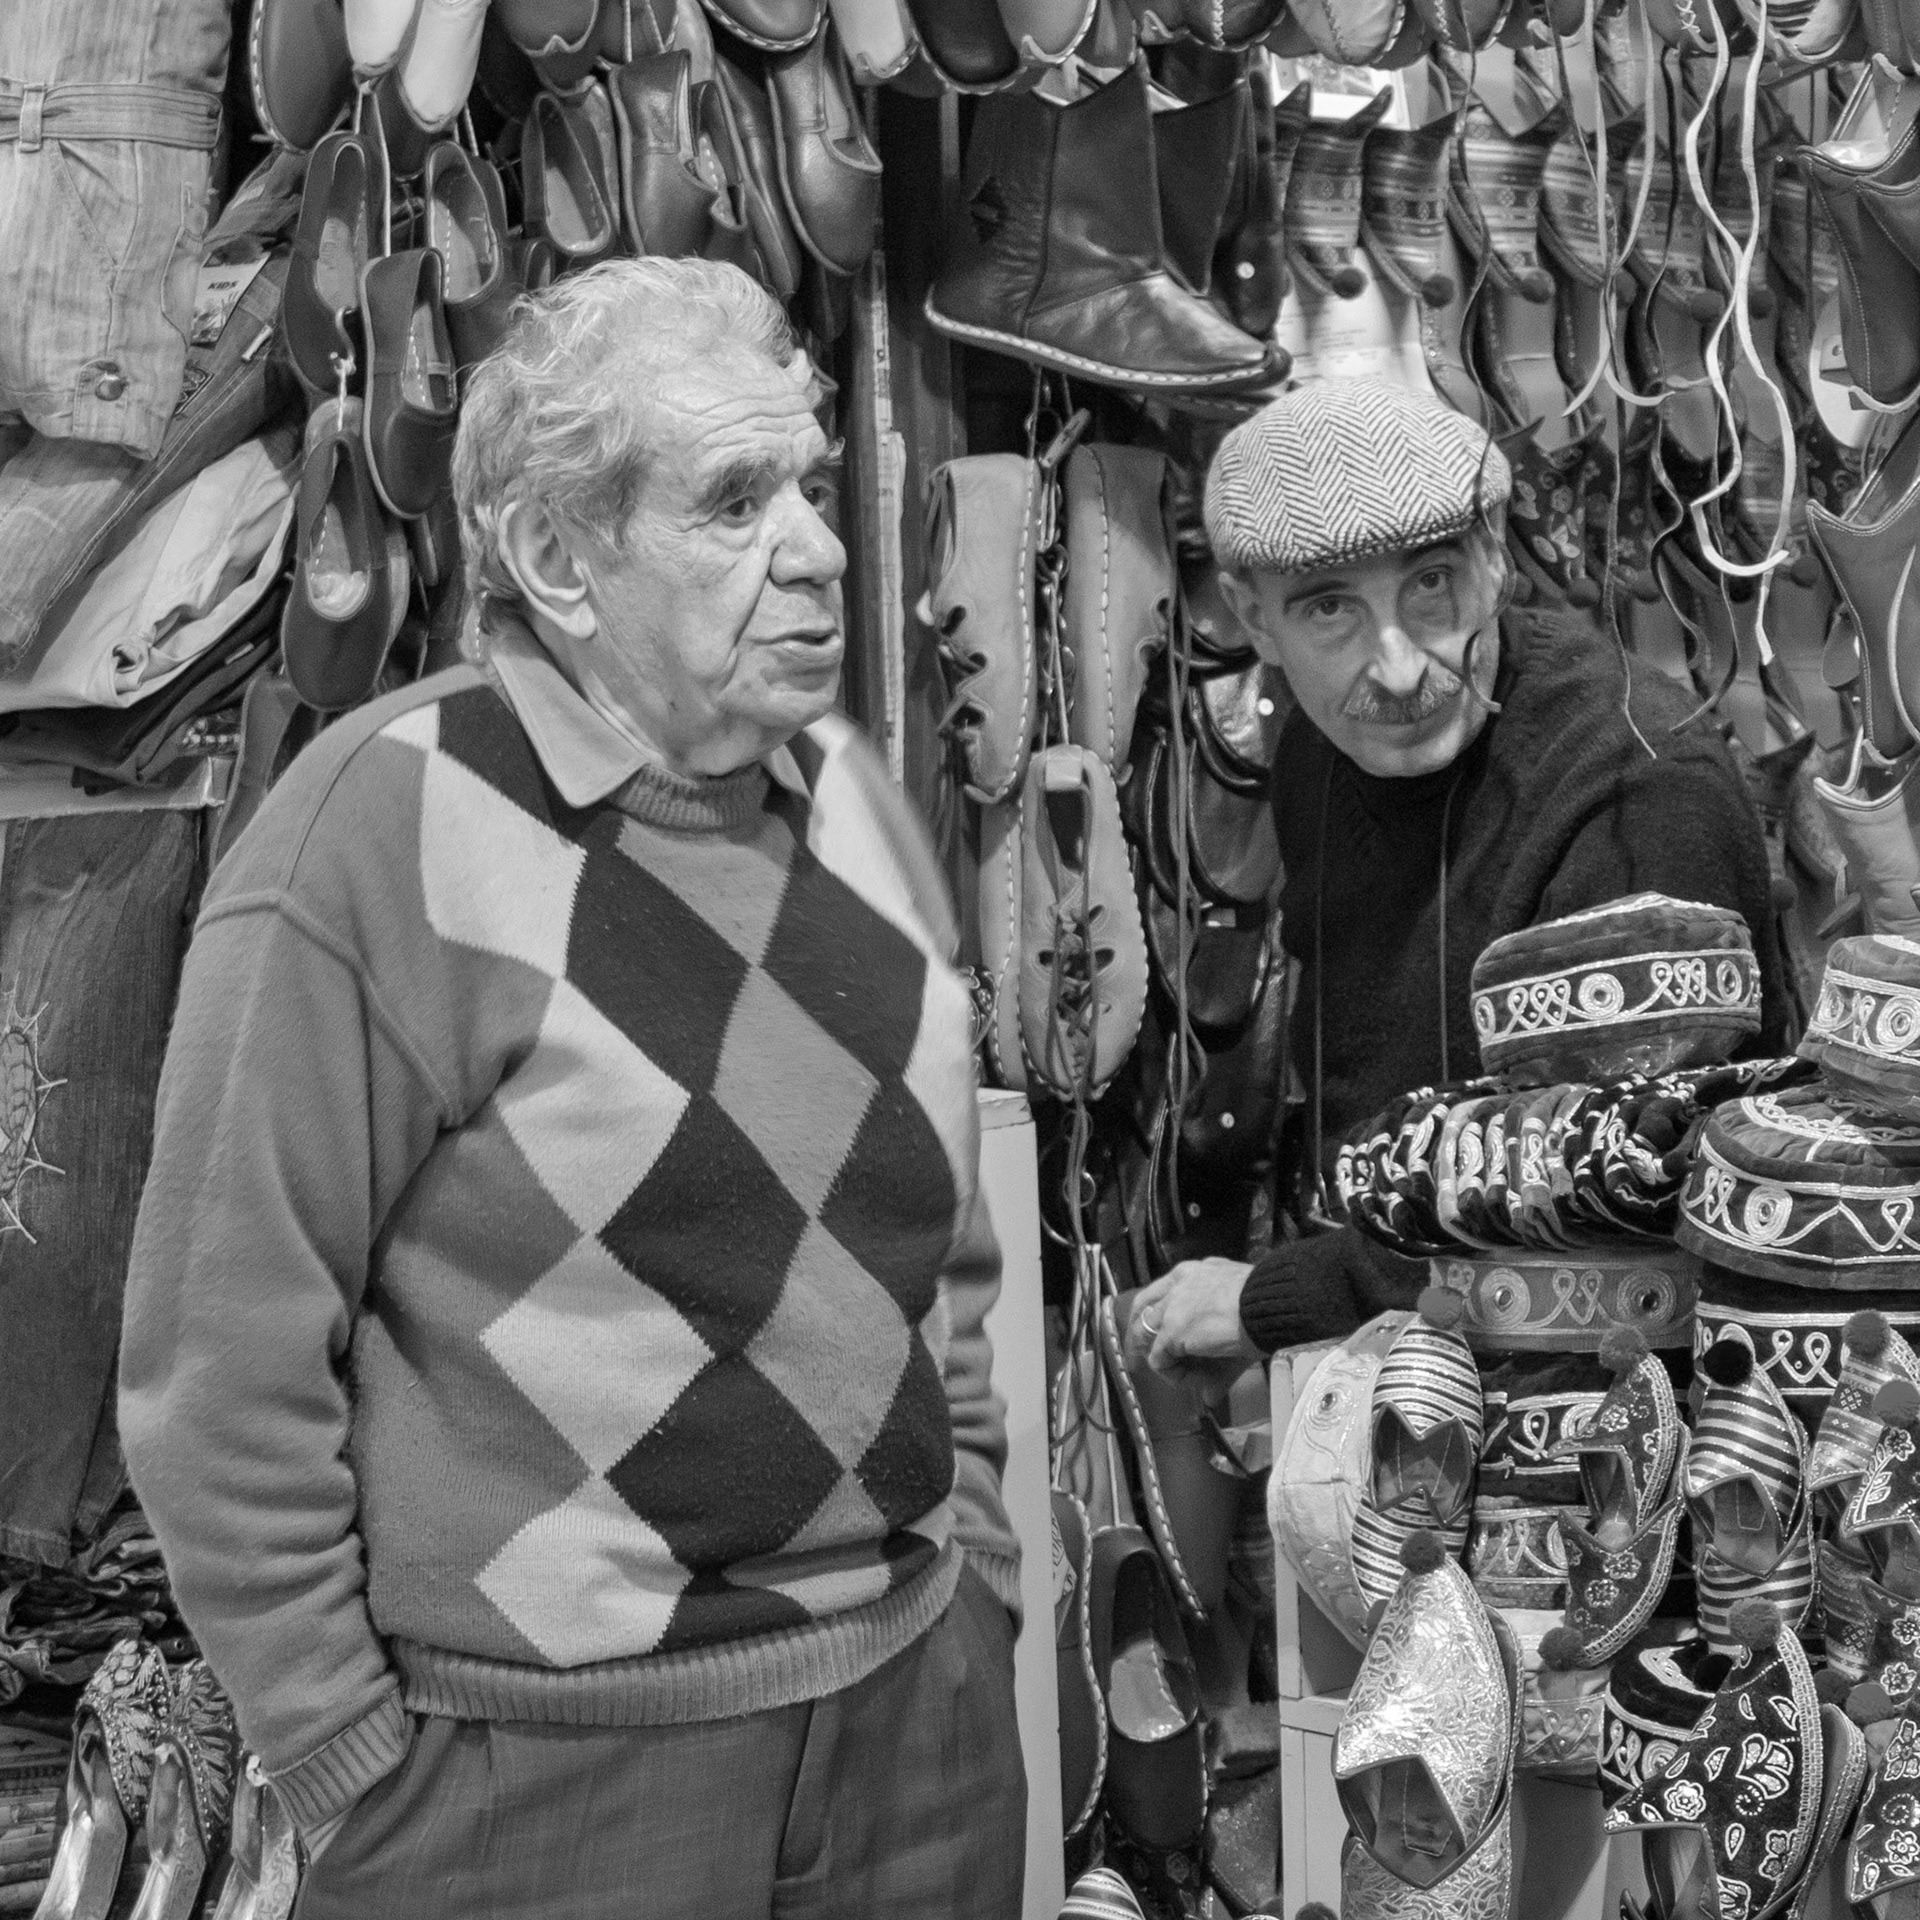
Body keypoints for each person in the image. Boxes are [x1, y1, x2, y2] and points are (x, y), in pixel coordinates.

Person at [119, 258, 1025, 1919]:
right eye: (735, 500)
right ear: (554, 556)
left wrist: (979, 1579)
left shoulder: (855, 809)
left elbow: (943, 1271)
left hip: (918, 1733)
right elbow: (217, 1357)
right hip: (539, 1787)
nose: (821, 548)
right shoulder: (382, 827)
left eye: (809, 483)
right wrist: (342, 1755)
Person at [1128, 379, 1789, 1385]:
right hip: (1413, 1370)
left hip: (1618, 1405)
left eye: (1431, 585)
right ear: (1253, 620)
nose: (1400, 670)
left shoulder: (1635, 786)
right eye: (1330, 609)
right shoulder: (1318, 751)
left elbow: (1629, 1188)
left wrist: (1284, 1298)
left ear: (1494, 558)